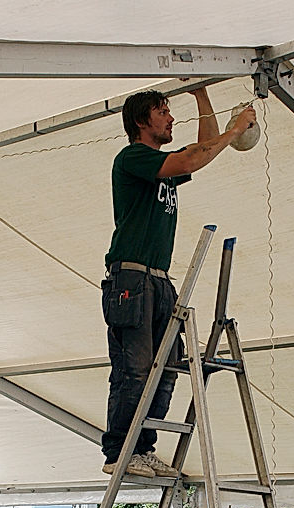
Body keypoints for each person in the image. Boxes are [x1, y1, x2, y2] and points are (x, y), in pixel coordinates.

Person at [101, 87, 257, 479]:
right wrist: (235, 130)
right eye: (162, 112)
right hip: (131, 277)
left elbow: (203, 149)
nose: (171, 119)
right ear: (142, 121)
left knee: (167, 367)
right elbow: (193, 157)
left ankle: (143, 448)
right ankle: (120, 451)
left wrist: (201, 94)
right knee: (135, 369)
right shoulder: (133, 157)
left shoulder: (160, 166)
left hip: (157, 279)